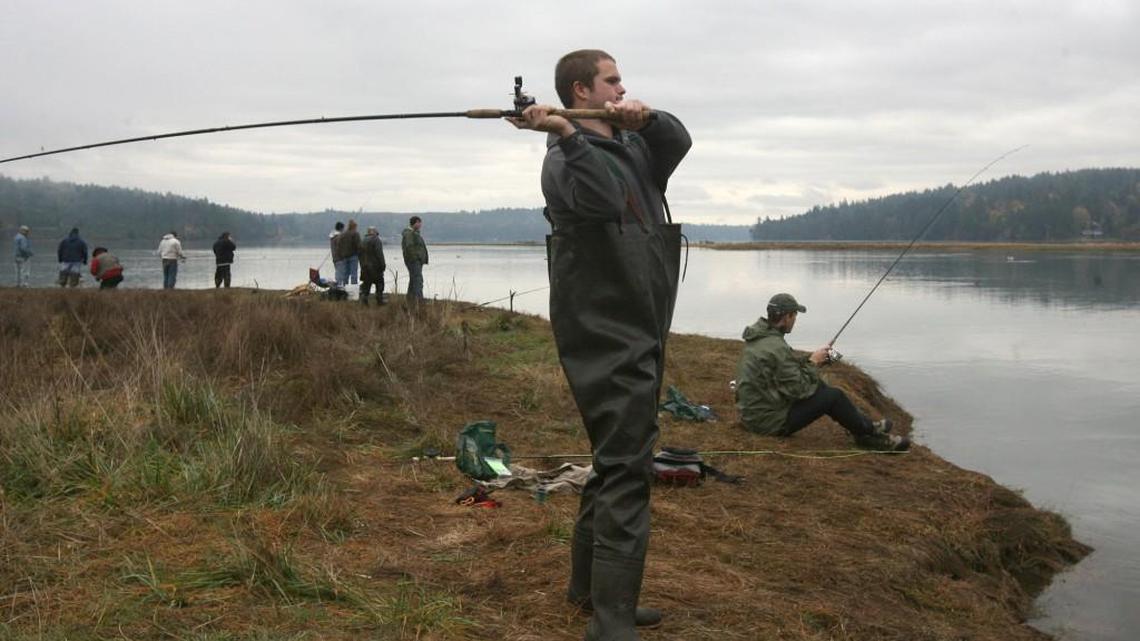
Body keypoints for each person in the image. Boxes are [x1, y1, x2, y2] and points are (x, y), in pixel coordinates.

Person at [510, 49, 691, 640]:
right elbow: (602, 203)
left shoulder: (634, 148)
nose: (622, 88)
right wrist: (564, 135)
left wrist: (650, 117)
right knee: (627, 469)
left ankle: (589, 590)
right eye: (613, 81)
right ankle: (610, 621)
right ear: (581, 90)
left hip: (642, 321)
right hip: (605, 331)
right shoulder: (563, 163)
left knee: (618, 458)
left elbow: (679, 143)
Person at [734, 293, 910, 452]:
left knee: (820, 387)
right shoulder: (775, 346)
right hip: (767, 423)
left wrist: (814, 359)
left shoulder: (762, 338)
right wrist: (813, 362)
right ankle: (869, 433)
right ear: (787, 317)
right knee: (833, 397)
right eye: (795, 315)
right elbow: (799, 389)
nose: (795, 320)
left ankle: (864, 428)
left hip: (756, 415)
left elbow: (784, 371)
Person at [401, 216, 428, 303]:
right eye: (419, 223)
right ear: (415, 223)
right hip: (413, 261)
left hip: (415, 261)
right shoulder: (409, 234)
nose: (420, 225)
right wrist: (416, 258)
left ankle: (410, 299)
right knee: (418, 280)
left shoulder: (414, 233)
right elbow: (409, 247)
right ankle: (419, 300)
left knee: (413, 280)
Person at [359, 226, 387, 306]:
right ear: (374, 232)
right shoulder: (376, 240)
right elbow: (379, 254)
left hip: (364, 267)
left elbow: (360, 255)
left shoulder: (362, 240)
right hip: (375, 267)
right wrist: (383, 265)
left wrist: (362, 265)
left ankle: (364, 300)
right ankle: (379, 300)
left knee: (367, 285)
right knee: (380, 284)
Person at [336, 219, 362, 286]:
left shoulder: (342, 234)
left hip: (344, 257)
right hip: (354, 256)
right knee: (354, 274)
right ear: (354, 226)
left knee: (346, 274)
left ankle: (345, 288)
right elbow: (359, 245)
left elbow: (338, 245)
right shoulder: (356, 234)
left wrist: (340, 255)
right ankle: (353, 290)